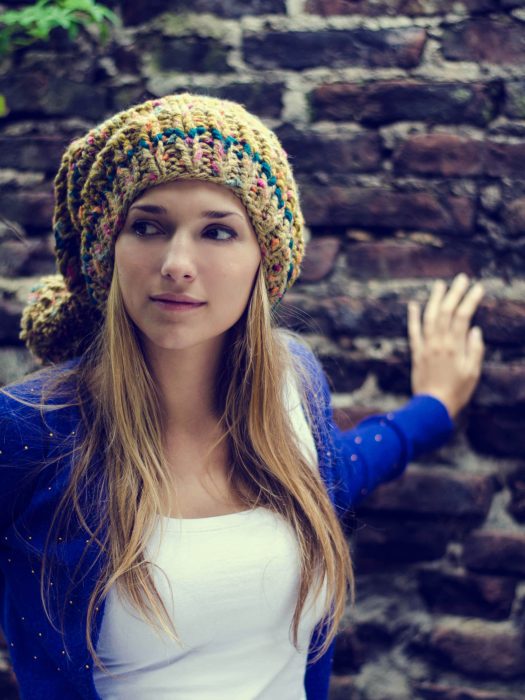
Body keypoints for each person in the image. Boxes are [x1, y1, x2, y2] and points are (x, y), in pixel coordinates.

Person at [0, 93, 484, 700]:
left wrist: (432, 409)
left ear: (264, 259)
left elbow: (332, 474)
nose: (178, 262)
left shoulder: (294, 382)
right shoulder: (29, 429)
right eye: (147, 225)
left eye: (218, 231)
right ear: (109, 252)